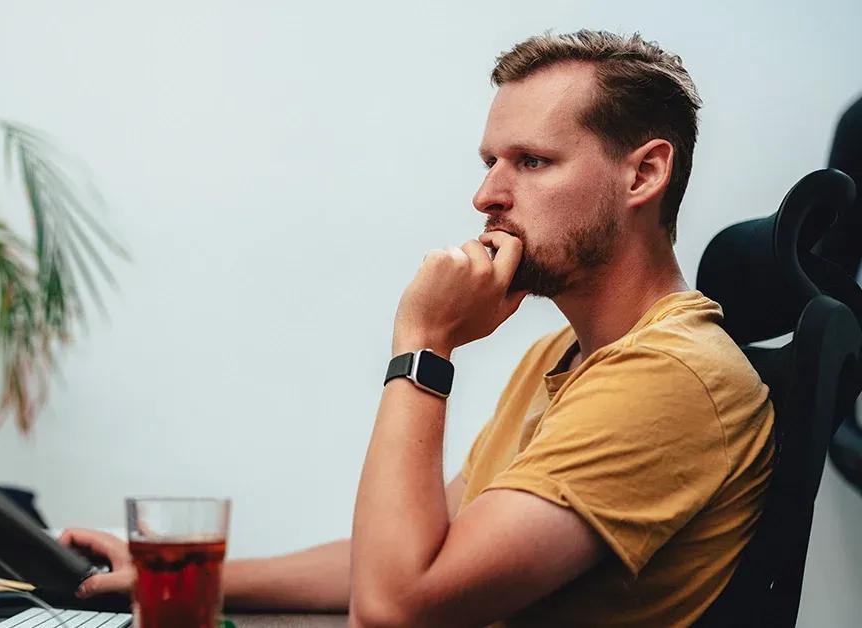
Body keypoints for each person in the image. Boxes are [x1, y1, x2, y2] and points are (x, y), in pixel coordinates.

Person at [60, 30, 775, 627]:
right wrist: (179, 579)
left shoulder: (670, 376)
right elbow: (406, 556)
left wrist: (424, 345)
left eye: (532, 162)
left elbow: (395, 604)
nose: (487, 195)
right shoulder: (564, 355)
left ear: (643, 175)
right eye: (490, 162)